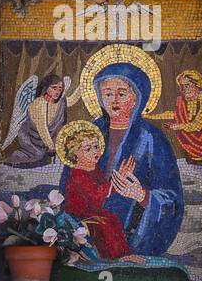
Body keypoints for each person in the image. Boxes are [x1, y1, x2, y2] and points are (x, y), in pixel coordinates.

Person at [62, 59, 183, 256]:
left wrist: (142, 195)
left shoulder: (151, 138)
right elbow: (68, 182)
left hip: (134, 234)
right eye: (108, 94)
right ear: (100, 98)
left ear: (136, 98)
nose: (114, 100)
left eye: (122, 93)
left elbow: (172, 198)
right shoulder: (89, 133)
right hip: (88, 231)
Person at [56, 121, 145, 263]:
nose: (95, 151)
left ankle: (124, 254)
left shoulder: (94, 168)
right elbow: (98, 192)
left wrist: (118, 178)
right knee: (104, 224)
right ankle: (114, 258)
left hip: (93, 212)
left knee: (111, 218)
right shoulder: (78, 174)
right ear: (75, 152)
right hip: (78, 216)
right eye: (88, 149)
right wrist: (119, 178)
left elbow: (104, 187)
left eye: (96, 146)